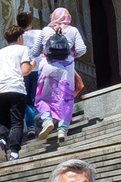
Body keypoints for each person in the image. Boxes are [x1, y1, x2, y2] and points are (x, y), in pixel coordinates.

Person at [32, 8, 85, 145]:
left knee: (42, 97)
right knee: (65, 98)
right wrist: (71, 55)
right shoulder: (73, 30)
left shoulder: (45, 30)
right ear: (67, 17)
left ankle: (47, 120)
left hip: (47, 67)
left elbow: (35, 51)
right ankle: (62, 129)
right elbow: (81, 49)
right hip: (66, 69)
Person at [0, 24, 34, 162]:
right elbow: (25, 71)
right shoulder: (23, 49)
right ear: (19, 37)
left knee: (4, 122)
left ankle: (1, 141)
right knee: (17, 122)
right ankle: (14, 152)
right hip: (15, 88)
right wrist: (32, 65)